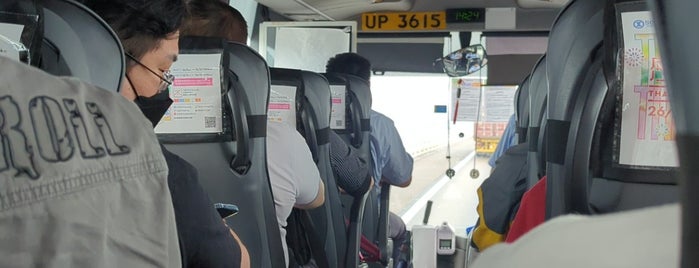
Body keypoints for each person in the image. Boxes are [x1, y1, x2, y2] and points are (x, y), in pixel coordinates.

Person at [82, 0, 249, 267]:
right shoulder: (162, 172)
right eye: (162, 71)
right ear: (110, 62)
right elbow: (236, 262)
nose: (164, 87)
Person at [326, 52, 414, 267]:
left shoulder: (307, 121)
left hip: (314, 221)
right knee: (402, 232)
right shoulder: (382, 125)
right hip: (365, 224)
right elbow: (403, 178)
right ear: (367, 86)